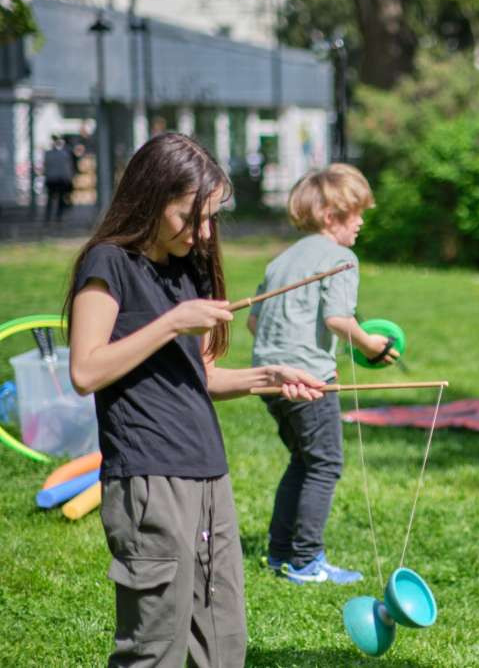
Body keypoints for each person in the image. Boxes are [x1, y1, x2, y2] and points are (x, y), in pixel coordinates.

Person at [64, 132, 325, 667]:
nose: (204, 232)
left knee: (223, 644)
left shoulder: (191, 267)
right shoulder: (108, 263)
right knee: (154, 648)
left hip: (209, 471)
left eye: (212, 219)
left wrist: (268, 376)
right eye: (191, 217)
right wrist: (172, 322)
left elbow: (200, 377)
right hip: (149, 477)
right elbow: (86, 371)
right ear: (152, 200)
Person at [247, 164, 399, 585]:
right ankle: (305, 561)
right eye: (356, 213)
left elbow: (253, 323)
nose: (362, 221)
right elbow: (337, 319)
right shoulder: (341, 258)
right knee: (325, 464)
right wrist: (370, 345)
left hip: (267, 377)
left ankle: (279, 554)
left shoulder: (282, 260)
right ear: (332, 216)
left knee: (303, 460)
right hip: (309, 379)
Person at [43, 134, 74, 224]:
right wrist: (69, 178)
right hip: (60, 179)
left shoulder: (48, 154)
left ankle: (48, 217)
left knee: (51, 199)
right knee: (60, 199)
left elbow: (46, 167)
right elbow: (67, 168)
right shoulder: (64, 154)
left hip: (51, 179)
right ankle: (58, 217)